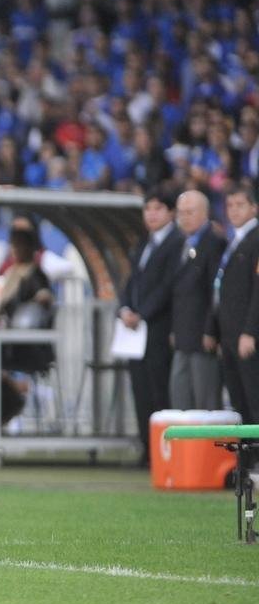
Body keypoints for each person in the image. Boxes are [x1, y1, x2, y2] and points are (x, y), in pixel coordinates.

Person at [119, 188, 181, 465]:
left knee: (159, 391)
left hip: (158, 328)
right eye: (148, 209)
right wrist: (124, 308)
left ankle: (163, 451)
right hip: (135, 331)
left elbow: (167, 287)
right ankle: (147, 449)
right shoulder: (144, 244)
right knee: (140, 390)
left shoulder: (177, 242)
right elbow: (131, 282)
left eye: (158, 208)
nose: (152, 214)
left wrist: (142, 313)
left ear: (170, 212)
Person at [206, 184, 259, 423]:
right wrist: (214, 330)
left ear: (254, 208)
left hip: (246, 335)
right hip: (229, 334)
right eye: (229, 206)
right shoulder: (233, 240)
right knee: (238, 402)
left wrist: (250, 331)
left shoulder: (255, 240)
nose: (234, 211)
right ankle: (247, 458)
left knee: (253, 398)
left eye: (240, 205)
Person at [0, 226, 55, 428]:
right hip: (7, 343)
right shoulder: (11, 273)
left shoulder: (35, 274)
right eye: (13, 245)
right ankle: (8, 406)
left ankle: (16, 401)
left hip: (27, 347)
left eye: (19, 244)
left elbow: (43, 297)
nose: (15, 249)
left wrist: (41, 300)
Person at [169, 190, 225, 410]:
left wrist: (211, 329)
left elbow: (216, 290)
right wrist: (175, 328)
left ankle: (208, 445)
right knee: (180, 394)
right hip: (183, 333)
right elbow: (179, 291)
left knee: (205, 399)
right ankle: (185, 445)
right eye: (181, 212)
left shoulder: (214, 243)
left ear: (204, 213)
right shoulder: (181, 243)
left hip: (202, 335)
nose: (184, 217)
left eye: (190, 212)